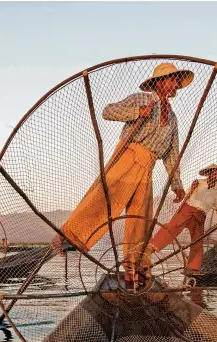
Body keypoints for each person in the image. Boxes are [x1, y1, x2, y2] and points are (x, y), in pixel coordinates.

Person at [51, 62, 194, 280]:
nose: (176, 85)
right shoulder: (141, 99)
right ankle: (66, 237)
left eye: (177, 81)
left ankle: (134, 268)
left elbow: (172, 154)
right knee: (104, 201)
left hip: (147, 167)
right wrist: (136, 112)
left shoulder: (172, 118)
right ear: (161, 82)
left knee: (141, 220)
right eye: (173, 80)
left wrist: (177, 186)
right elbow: (108, 112)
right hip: (128, 157)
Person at [148, 164, 217, 276]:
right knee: (172, 226)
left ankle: (192, 268)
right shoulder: (198, 183)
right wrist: (192, 187)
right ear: (209, 174)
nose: (215, 174)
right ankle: (151, 247)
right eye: (213, 172)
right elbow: (187, 194)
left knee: (197, 242)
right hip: (187, 209)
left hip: (200, 216)